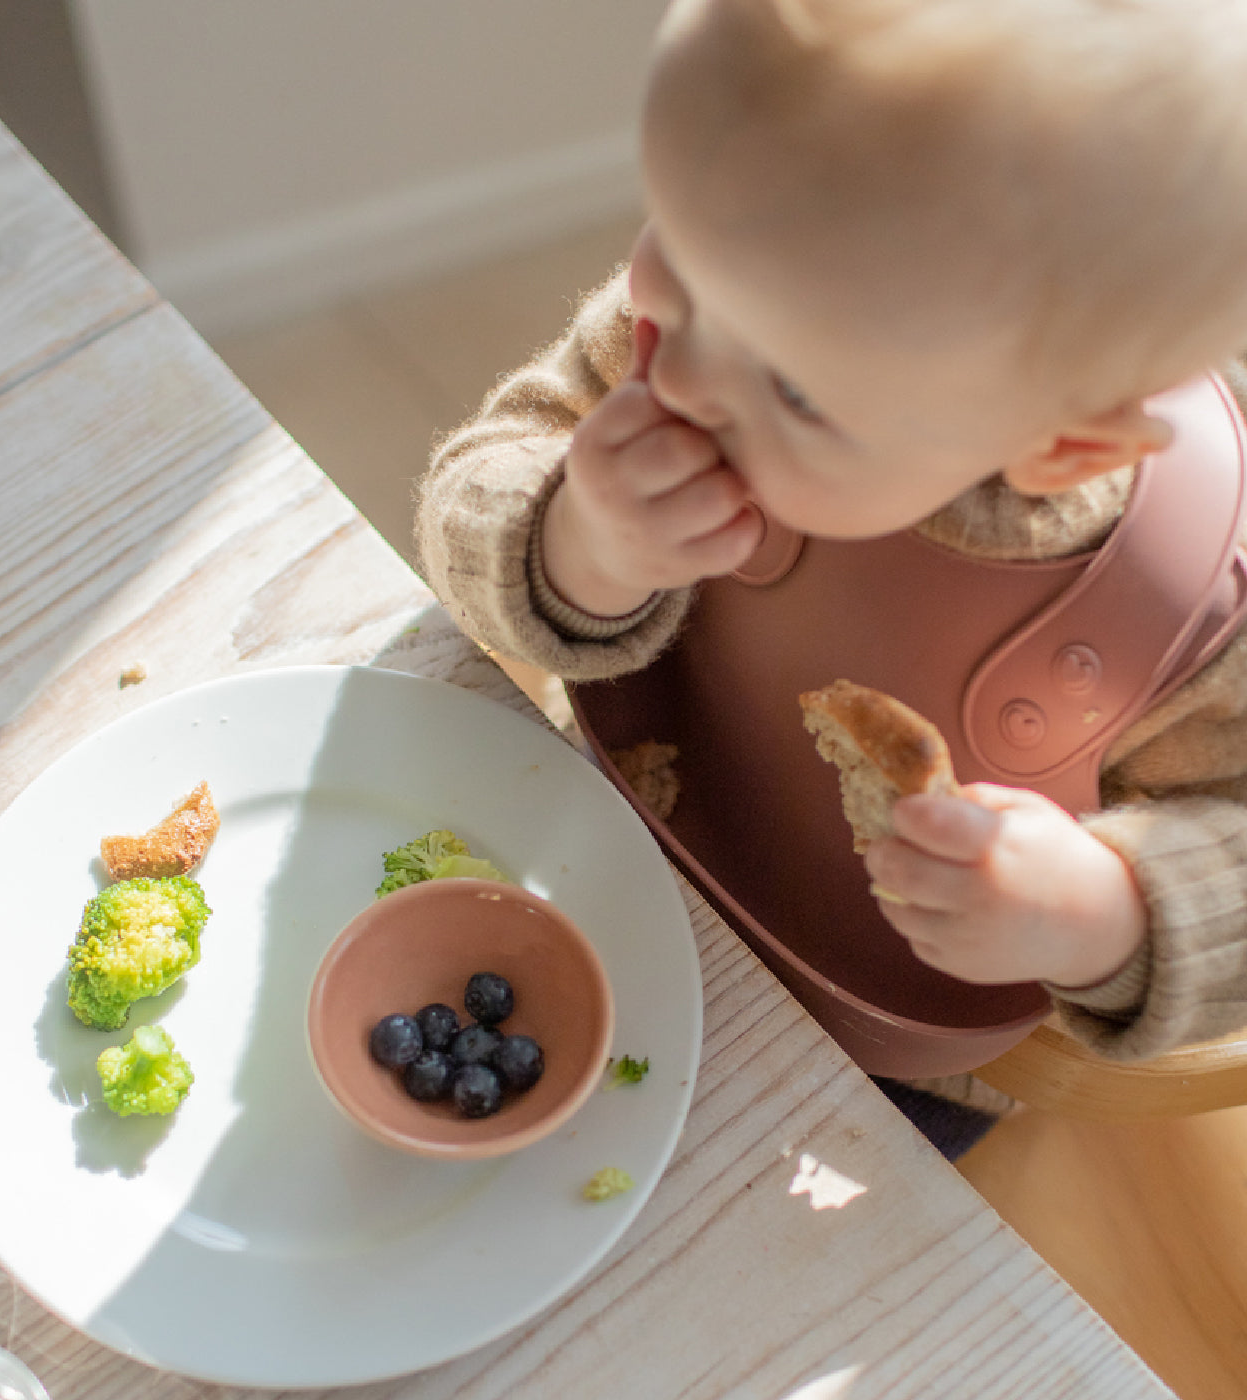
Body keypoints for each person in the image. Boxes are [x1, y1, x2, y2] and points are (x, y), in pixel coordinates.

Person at [413, 0, 1247, 1155]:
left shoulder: (1196, 597)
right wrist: (578, 543)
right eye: (674, 239)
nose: (673, 361)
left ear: (1061, 450)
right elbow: (478, 480)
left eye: (794, 390)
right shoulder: (759, 292)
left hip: (878, 1077)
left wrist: (1099, 909)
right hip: (584, 838)